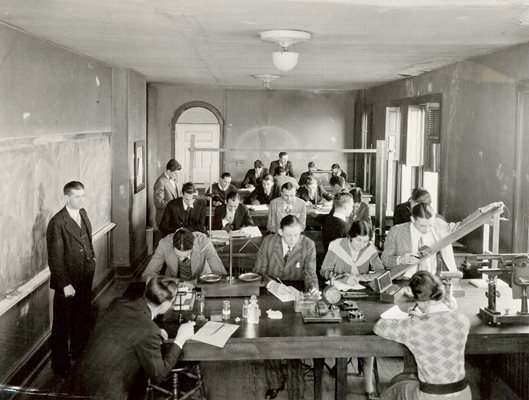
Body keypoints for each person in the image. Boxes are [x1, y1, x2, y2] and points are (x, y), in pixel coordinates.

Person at [63, 277, 196, 400]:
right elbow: (159, 375)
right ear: (166, 305)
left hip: (75, 385)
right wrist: (180, 338)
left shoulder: (118, 303)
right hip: (105, 394)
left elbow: (130, 327)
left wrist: (153, 329)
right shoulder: (149, 330)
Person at [374, 271, 471, 400]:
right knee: (404, 379)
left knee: (391, 392)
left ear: (419, 301)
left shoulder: (413, 326)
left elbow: (379, 326)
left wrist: (415, 316)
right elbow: (444, 318)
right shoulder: (462, 320)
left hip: (431, 396)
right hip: (463, 394)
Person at [253, 215, 319, 400]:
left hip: (296, 293)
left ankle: (296, 390)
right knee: (268, 337)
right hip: (270, 291)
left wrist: (313, 290)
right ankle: (275, 382)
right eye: (288, 236)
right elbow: (258, 272)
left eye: (296, 235)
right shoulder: (268, 242)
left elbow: (310, 274)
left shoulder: (308, 244)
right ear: (280, 232)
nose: (292, 240)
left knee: (295, 341)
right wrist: (273, 285)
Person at [320, 220, 383, 399]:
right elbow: (324, 271)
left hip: (361, 296)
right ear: (350, 237)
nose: (362, 245)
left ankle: (368, 383)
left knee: (369, 333)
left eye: (365, 241)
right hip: (336, 296)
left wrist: (360, 277)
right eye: (358, 241)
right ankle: (339, 367)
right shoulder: (336, 246)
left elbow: (380, 271)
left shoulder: (369, 249)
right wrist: (342, 276)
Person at [46, 181, 96, 378]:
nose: (81, 199)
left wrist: (92, 259)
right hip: (67, 282)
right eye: (77, 196)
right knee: (62, 324)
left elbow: (87, 240)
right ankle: (60, 365)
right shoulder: (57, 222)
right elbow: (55, 258)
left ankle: (78, 353)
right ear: (67, 197)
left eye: (83, 195)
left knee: (82, 316)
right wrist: (65, 284)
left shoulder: (82, 213)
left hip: (85, 276)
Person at [381, 203, 460, 279]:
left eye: (430, 225)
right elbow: (385, 259)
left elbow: (462, 226)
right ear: (412, 219)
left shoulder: (439, 224)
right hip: (406, 279)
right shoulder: (396, 231)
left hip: (432, 279)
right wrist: (400, 259)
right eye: (422, 226)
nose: (427, 229)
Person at [142, 228, 227, 282]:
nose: (182, 259)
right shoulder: (164, 244)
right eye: (178, 256)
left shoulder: (204, 243)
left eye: (186, 255)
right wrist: (168, 283)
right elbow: (148, 274)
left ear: (193, 246)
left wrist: (194, 284)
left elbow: (221, 274)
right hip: (174, 282)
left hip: (200, 281)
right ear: (172, 245)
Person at [153, 159, 182, 227]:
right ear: (168, 171)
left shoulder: (172, 178)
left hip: (172, 217)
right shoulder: (160, 182)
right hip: (164, 219)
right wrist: (174, 205)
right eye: (175, 173)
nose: (176, 176)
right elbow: (158, 202)